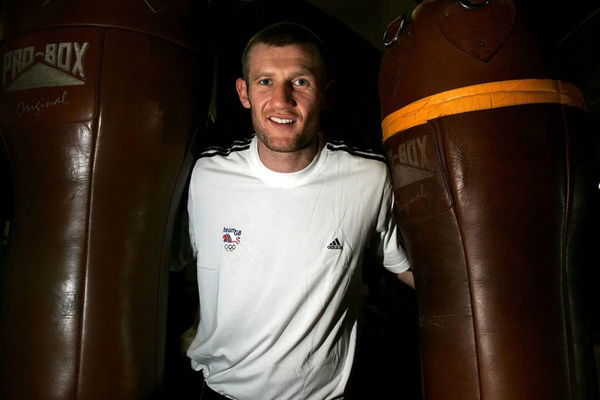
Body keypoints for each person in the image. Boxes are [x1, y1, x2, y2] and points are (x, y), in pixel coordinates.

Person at [186, 21, 414, 400]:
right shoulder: (205, 175)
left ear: (325, 94)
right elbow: (163, 260)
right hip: (219, 392)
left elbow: (409, 268)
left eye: (300, 82)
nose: (281, 100)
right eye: (265, 82)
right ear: (243, 92)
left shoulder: (369, 177)